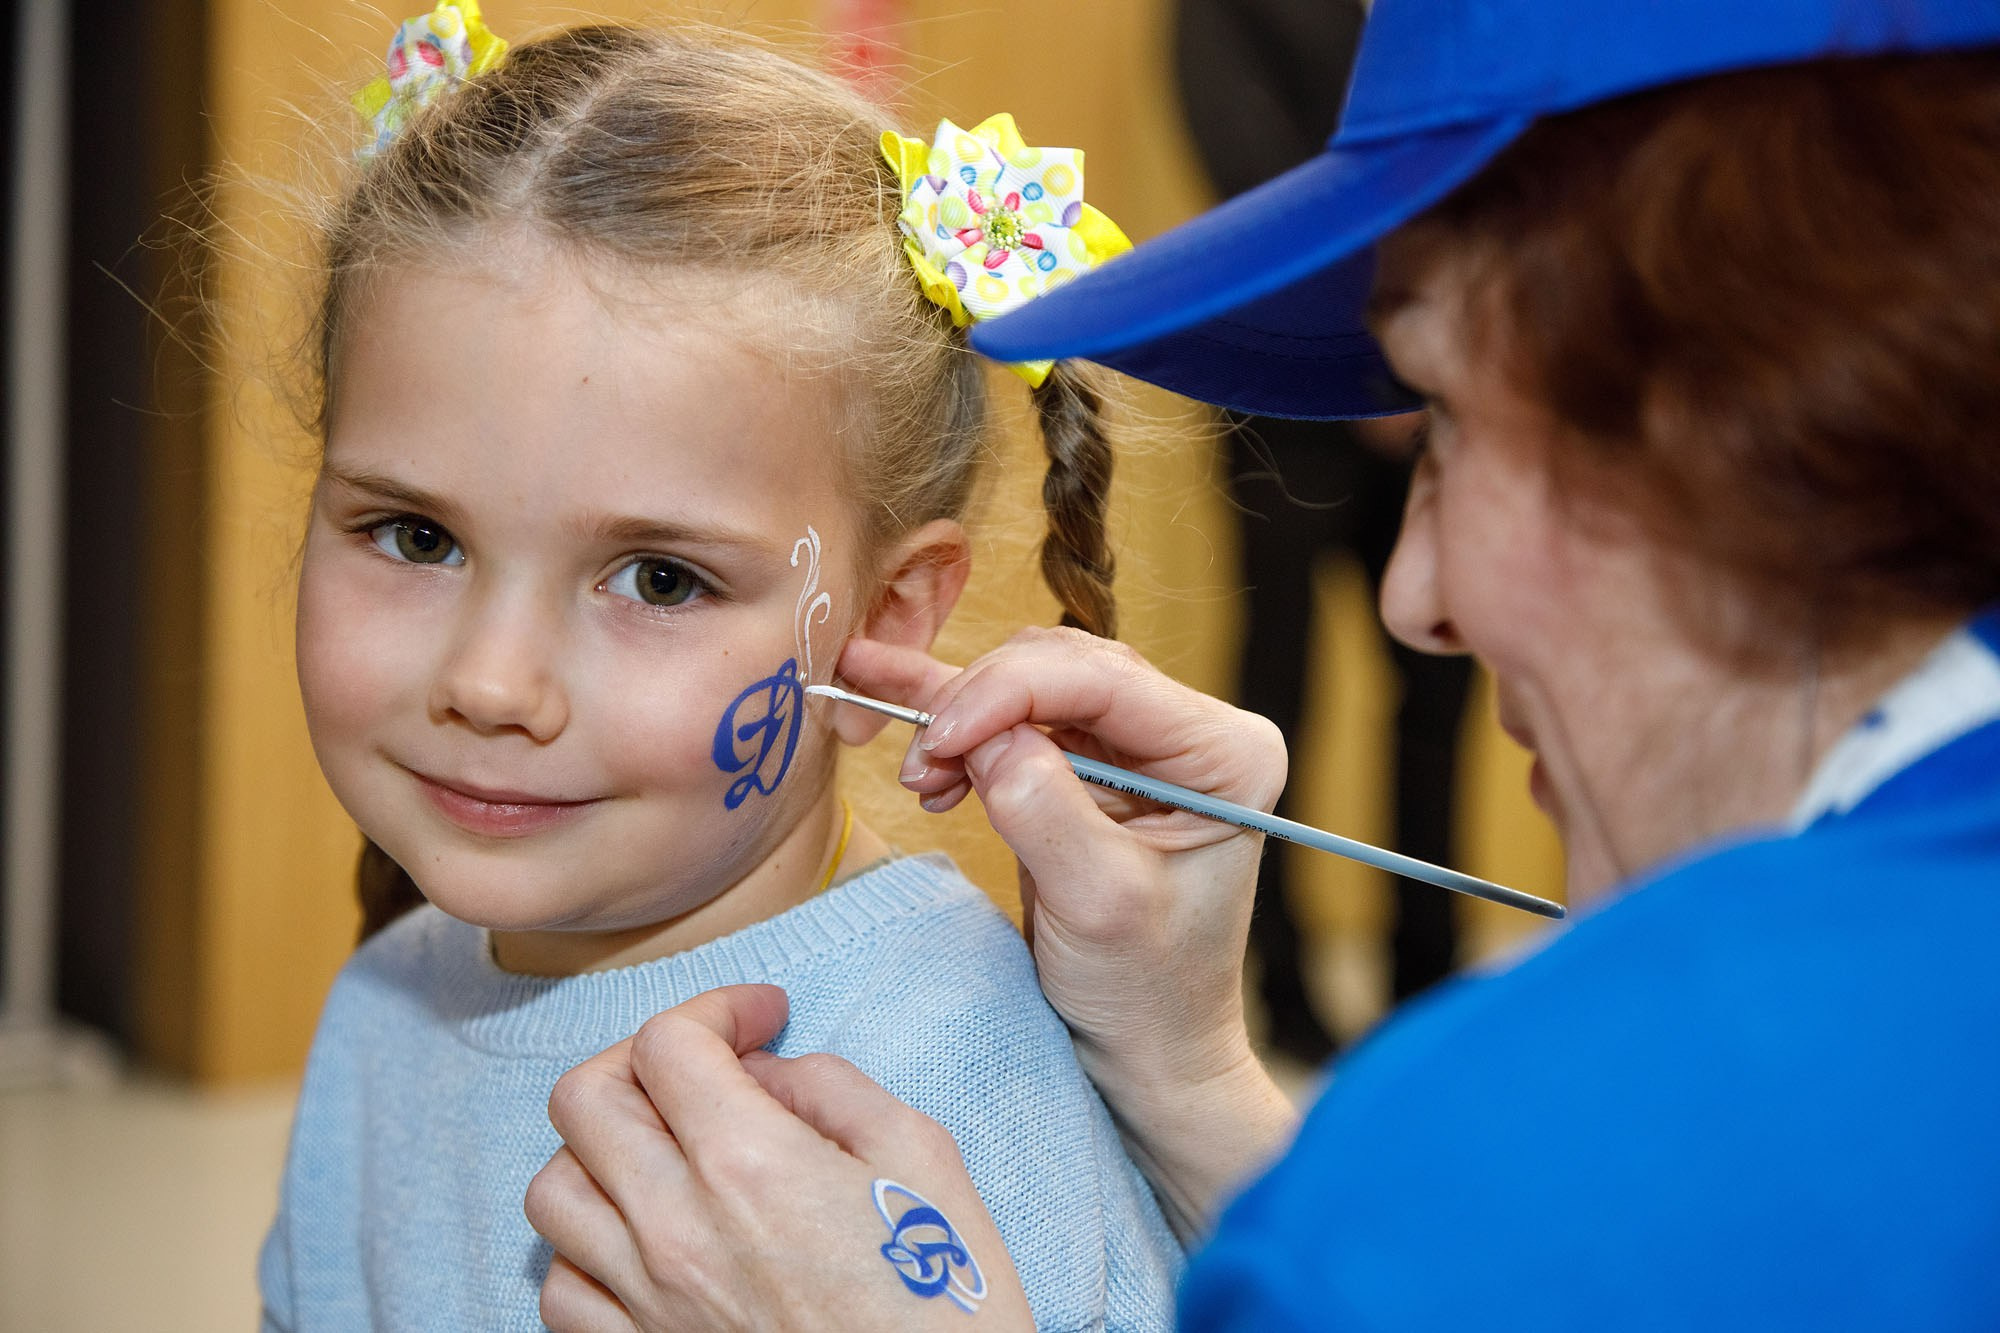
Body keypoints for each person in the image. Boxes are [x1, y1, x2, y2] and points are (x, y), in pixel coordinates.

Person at [520, 1, 2000, 1329]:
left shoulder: (1544, 1160)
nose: (1418, 597)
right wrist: (1190, 1076)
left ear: (1757, 401)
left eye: (1448, 416)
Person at [255, 11, 1183, 1331]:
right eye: (417, 536)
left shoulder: (952, 1071)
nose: (493, 682)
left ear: (891, 618)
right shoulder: (384, 1003)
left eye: (660, 578)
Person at [1176, 0, 1472, 1061]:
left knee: (1441, 689)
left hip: (1442, 386)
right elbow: (1251, 168)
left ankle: (1429, 979)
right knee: (1274, 697)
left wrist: (1432, 357)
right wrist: (1363, 359)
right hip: (1285, 398)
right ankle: (1279, 982)